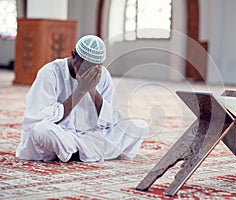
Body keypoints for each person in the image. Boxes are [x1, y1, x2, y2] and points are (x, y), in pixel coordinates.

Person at [16, 35, 149, 162]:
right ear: (74, 56)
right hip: (64, 135)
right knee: (41, 130)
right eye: (85, 66)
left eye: (95, 67)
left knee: (139, 126)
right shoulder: (50, 72)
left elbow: (113, 120)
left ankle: (76, 153)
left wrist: (91, 90)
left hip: (91, 136)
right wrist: (80, 90)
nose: (89, 72)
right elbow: (37, 117)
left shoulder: (102, 74)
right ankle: (83, 152)